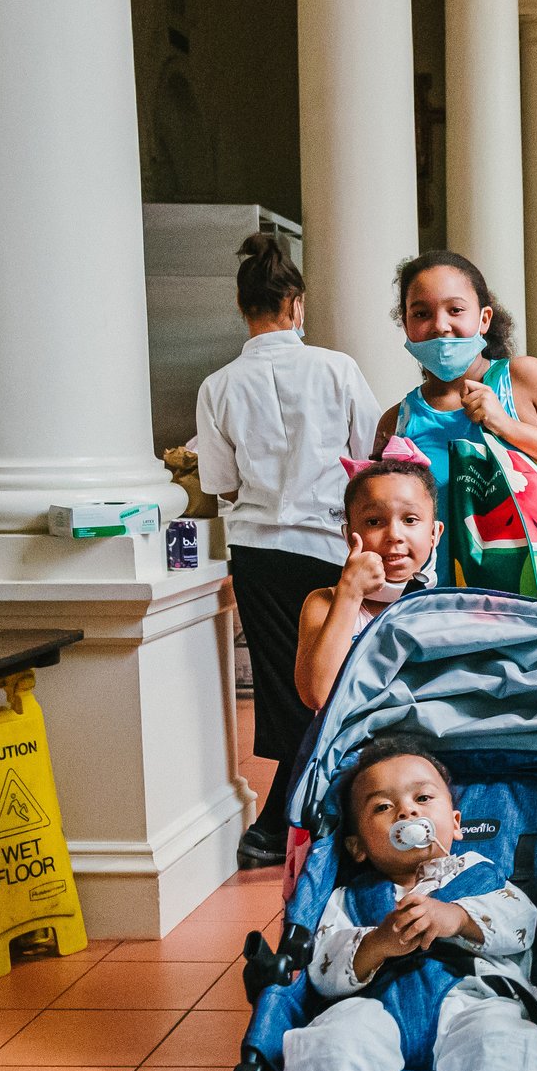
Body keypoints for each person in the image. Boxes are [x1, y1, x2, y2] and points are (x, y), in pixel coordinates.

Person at [278, 738, 537, 1071]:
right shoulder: (350, 898)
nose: (406, 809)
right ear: (357, 845)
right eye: (382, 807)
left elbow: (522, 926)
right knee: (331, 1037)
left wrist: (457, 917)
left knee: (504, 1039)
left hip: (473, 998)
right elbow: (322, 965)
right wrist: (376, 943)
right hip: (378, 1008)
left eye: (423, 799)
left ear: (456, 823)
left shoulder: (485, 878)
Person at [196, 233, 383, 869]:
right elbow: (366, 460)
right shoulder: (338, 369)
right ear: (295, 306)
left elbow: (218, 482)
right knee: (328, 678)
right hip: (328, 544)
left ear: (245, 309)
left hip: (256, 550)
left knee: (286, 683)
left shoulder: (217, 385)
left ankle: (284, 817)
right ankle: (296, 815)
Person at [377, 251, 537, 562]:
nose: (440, 325)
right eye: (421, 314)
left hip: (534, 600)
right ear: (406, 325)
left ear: (483, 319)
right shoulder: (395, 422)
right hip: (435, 602)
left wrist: (509, 427)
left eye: (455, 310)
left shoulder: (524, 379)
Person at [295, 445, 440, 713]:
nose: (394, 534)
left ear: (435, 533)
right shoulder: (324, 604)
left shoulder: (444, 606)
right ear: (350, 535)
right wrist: (349, 594)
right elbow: (317, 694)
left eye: (410, 519)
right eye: (374, 521)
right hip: (351, 748)